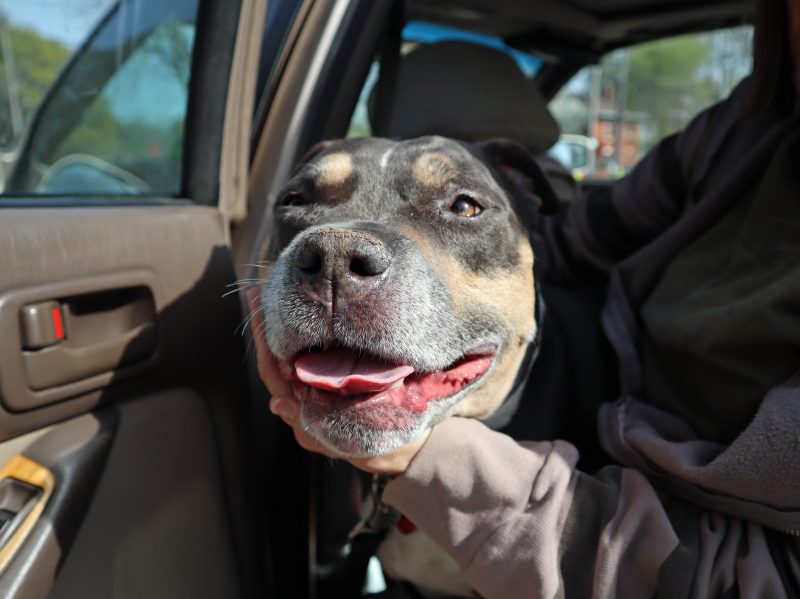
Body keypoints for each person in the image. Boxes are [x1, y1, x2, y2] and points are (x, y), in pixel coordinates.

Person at [248, 0, 800, 595]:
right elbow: (568, 241)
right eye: (305, 204)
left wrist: (433, 463)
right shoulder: (739, 135)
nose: (339, 252)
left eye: (461, 207)